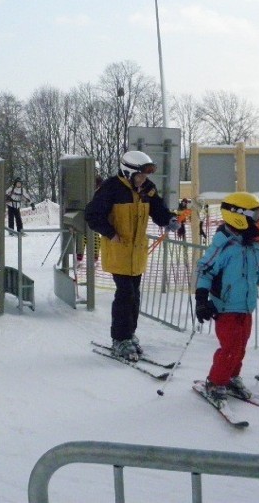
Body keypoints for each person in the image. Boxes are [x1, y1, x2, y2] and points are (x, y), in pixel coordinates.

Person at [194, 191, 259, 405]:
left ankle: (231, 377)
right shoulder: (223, 244)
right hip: (225, 307)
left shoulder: (252, 243)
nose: (258, 219)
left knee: (241, 346)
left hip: (246, 306)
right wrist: (201, 300)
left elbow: (256, 272)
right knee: (230, 348)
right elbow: (205, 271)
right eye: (254, 215)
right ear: (239, 215)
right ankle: (216, 382)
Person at [85, 150, 179, 360]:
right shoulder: (111, 188)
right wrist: (110, 233)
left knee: (134, 295)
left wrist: (169, 220)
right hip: (119, 251)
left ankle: (129, 334)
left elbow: (158, 210)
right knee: (125, 294)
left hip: (137, 252)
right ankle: (120, 338)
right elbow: (91, 215)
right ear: (128, 172)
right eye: (140, 176)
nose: (143, 179)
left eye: (146, 176)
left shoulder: (147, 190)